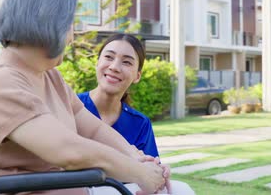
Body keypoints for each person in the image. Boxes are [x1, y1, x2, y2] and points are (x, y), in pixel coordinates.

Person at [0, 0, 168, 195]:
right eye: (70, 24)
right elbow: (68, 151)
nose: (72, 35)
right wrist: (139, 173)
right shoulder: (1, 84)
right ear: (48, 23)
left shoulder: (49, 76)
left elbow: (93, 128)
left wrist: (136, 157)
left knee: (177, 190)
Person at [78, 34, 194, 195]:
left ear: (137, 76)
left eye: (126, 62)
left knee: (181, 190)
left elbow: (148, 170)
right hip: (80, 189)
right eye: (109, 57)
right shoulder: (71, 106)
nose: (114, 67)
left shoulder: (140, 123)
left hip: (124, 190)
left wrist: (158, 173)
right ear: (97, 63)